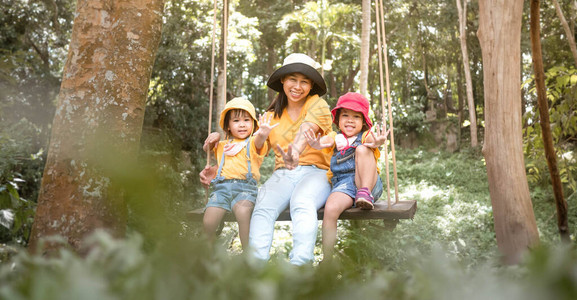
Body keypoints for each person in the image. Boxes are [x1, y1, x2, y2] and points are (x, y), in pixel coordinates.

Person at [248, 53, 334, 265]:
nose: (298, 86)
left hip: (317, 172)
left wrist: (294, 153)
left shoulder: (317, 104)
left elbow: (308, 130)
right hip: (283, 174)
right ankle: (254, 267)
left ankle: (300, 267)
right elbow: (258, 149)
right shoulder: (271, 115)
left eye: (304, 81)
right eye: (293, 80)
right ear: (283, 81)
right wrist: (260, 135)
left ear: (311, 85)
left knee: (302, 202)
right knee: (262, 206)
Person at [304, 92, 388, 260]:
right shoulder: (336, 137)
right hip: (344, 184)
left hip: (369, 183)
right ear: (338, 119)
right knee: (330, 208)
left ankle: (364, 194)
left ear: (363, 122)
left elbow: (371, 140)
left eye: (356, 116)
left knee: (362, 149)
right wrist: (316, 143)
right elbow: (325, 142)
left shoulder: (364, 136)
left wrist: (377, 142)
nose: (350, 120)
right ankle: (327, 260)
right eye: (345, 115)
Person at [199, 97, 276, 249]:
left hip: (245, 190)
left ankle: (248, 253)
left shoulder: (253, 144)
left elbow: (260, 141)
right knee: (208, 222)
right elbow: (207, 148)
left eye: (247, 120)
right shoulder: (222, 145)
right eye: (236, 121)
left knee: (243, 214)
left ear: (253, 124)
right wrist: (214, 135)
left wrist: (263, 133)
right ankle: (209, 253)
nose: (242, 124)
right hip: (221, 190)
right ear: (227, 126)